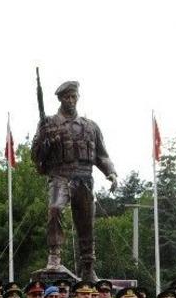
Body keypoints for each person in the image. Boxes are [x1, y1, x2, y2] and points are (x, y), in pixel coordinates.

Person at [31, 80, 119, 280]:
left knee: (86, 223)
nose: (70, 100)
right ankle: (54, 256)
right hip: (60, 175)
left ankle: (87, 266)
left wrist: (111, 172)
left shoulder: (90, 126)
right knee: (55, 208)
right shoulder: (48, 123)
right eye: (66, 97)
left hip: (84, 178)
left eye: (74, 97)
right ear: (60, 99)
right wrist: (45, 143)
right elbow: (36, 157)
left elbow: (102, 155)